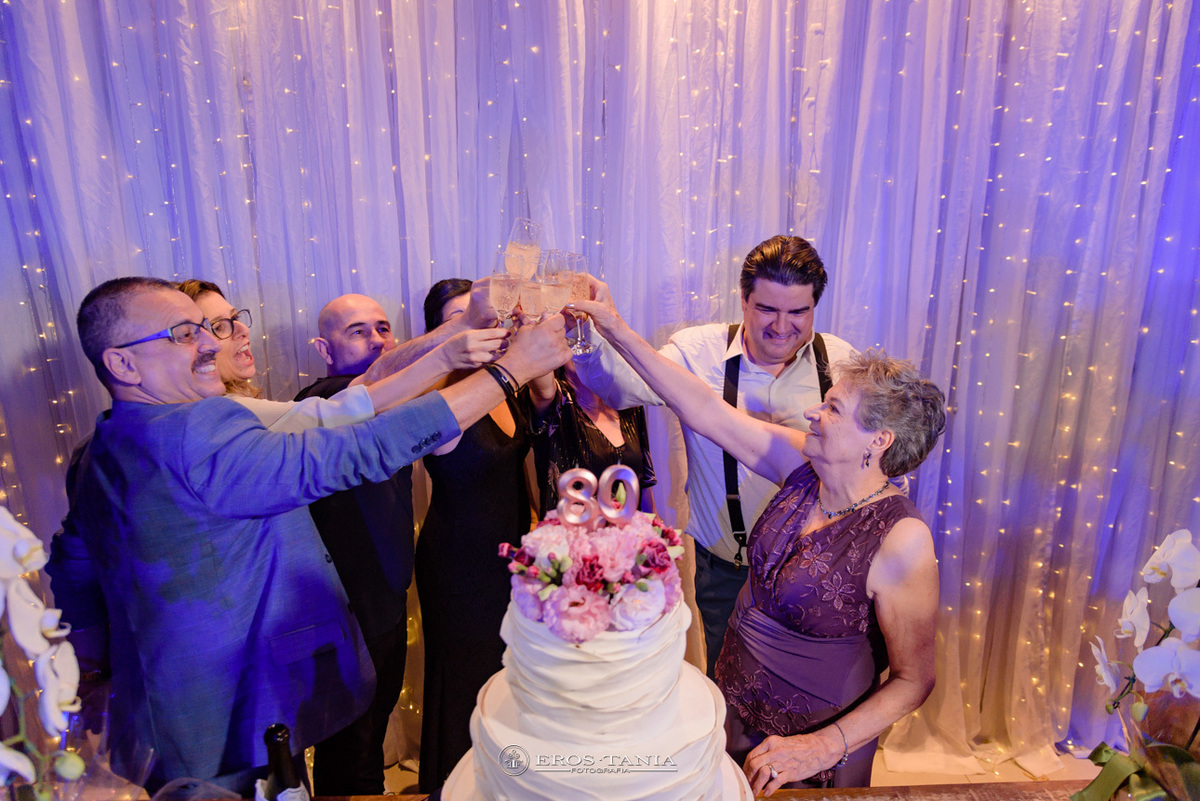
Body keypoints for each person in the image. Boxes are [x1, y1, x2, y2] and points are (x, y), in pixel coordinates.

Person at [51, 276, 568, 794]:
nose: (209, 344)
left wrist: (91, 670)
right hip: (230, 713)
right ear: (122, 364)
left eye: (206, 328)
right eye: (184, 334)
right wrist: (510, 372)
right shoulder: (193, 431)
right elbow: (359, 450)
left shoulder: (99, 444)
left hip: (156, 711)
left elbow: (73, 568)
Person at [574, 295, 943, 793]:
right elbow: (703, 408)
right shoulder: (802, 467)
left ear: (878, 441)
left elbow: (914, 679)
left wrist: (822, 747)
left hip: (806, 746)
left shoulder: (902, 538)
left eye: (833, 408)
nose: (813, 411)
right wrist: (613, 326)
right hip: (733, 708)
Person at [572, 235, 856, 677]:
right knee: (730, 691)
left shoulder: (839, 360)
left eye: (798, 312)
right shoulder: (695, 351)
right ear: (743, 300)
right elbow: (619, 387)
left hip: (816, 576)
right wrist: (586, 333)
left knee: (809, 692)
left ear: (815, 306)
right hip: (727, 573)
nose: (782, 326)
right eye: (767, 309)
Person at [293, 291, 505, 795]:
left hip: (386, 599)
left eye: (383, 328)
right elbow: (372, 388)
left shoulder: (400, 396)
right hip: (344, 607)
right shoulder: (320, 403)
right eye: (357, 331)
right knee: (349, 744)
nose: (376, 341)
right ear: (323, 349)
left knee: (371, 729)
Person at [415, 279, 536, 792]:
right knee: (463, 686)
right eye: (459, 319)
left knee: (504, 682)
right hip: (458, 568)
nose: (479, 326)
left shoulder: (507, 385)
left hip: (507, 563)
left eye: (483, 314)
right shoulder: (436, 399)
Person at [525, 362, 656, 516]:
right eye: (573, 348)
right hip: (569, 530)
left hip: (629, 529)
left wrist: (656, 526)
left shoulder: (624, 402)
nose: (583, 351)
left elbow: (644, 482)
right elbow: (542, 383)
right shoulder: (556, 402)